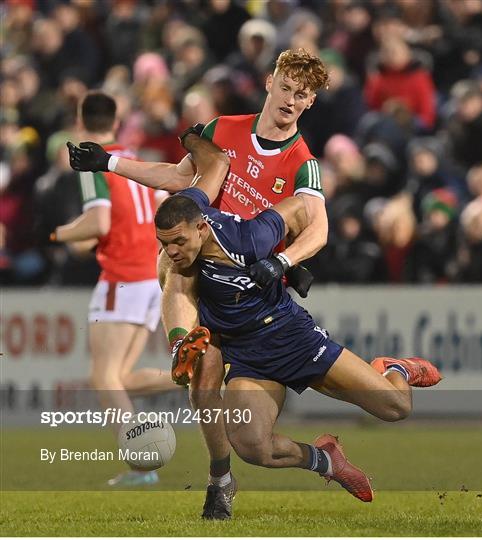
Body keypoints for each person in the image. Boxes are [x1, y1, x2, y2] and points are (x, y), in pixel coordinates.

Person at [68, 49, 330, 519]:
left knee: (261, 436)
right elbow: (176, 178)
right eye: (286, 88)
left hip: (254, 294)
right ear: (269, 82)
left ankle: (329, 438)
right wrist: (110, 162)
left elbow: (319, 227)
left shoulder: (304, 163)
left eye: (302, 94)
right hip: (201, 275)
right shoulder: (219, 130)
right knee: (200, 369)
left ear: (310, 103)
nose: (291, 100)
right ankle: (219, 478)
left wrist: (289, 259)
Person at [155, 131, 442, 505]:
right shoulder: (184, 229)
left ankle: (395, 369)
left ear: (202, 227)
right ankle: (327, 461)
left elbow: (297, 208)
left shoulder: (249, 238)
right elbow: (214, 163)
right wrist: (192, 137)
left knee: (396, 408)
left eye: (178, 242)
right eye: (164, 243)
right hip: (247, 356)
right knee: (253, 447)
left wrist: (286, 261)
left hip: (290, 336)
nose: (171, 251)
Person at [54, 92, 177, 486]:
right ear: (117, 118)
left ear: (80, 118)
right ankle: (196, 375)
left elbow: (100, 223)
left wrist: (59, 233)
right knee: (120, 377)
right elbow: (162, 209)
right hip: (151, 273)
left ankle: (143, 467)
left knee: (104, 377)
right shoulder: (134, 159)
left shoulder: (93, 161)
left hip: (122, 274)